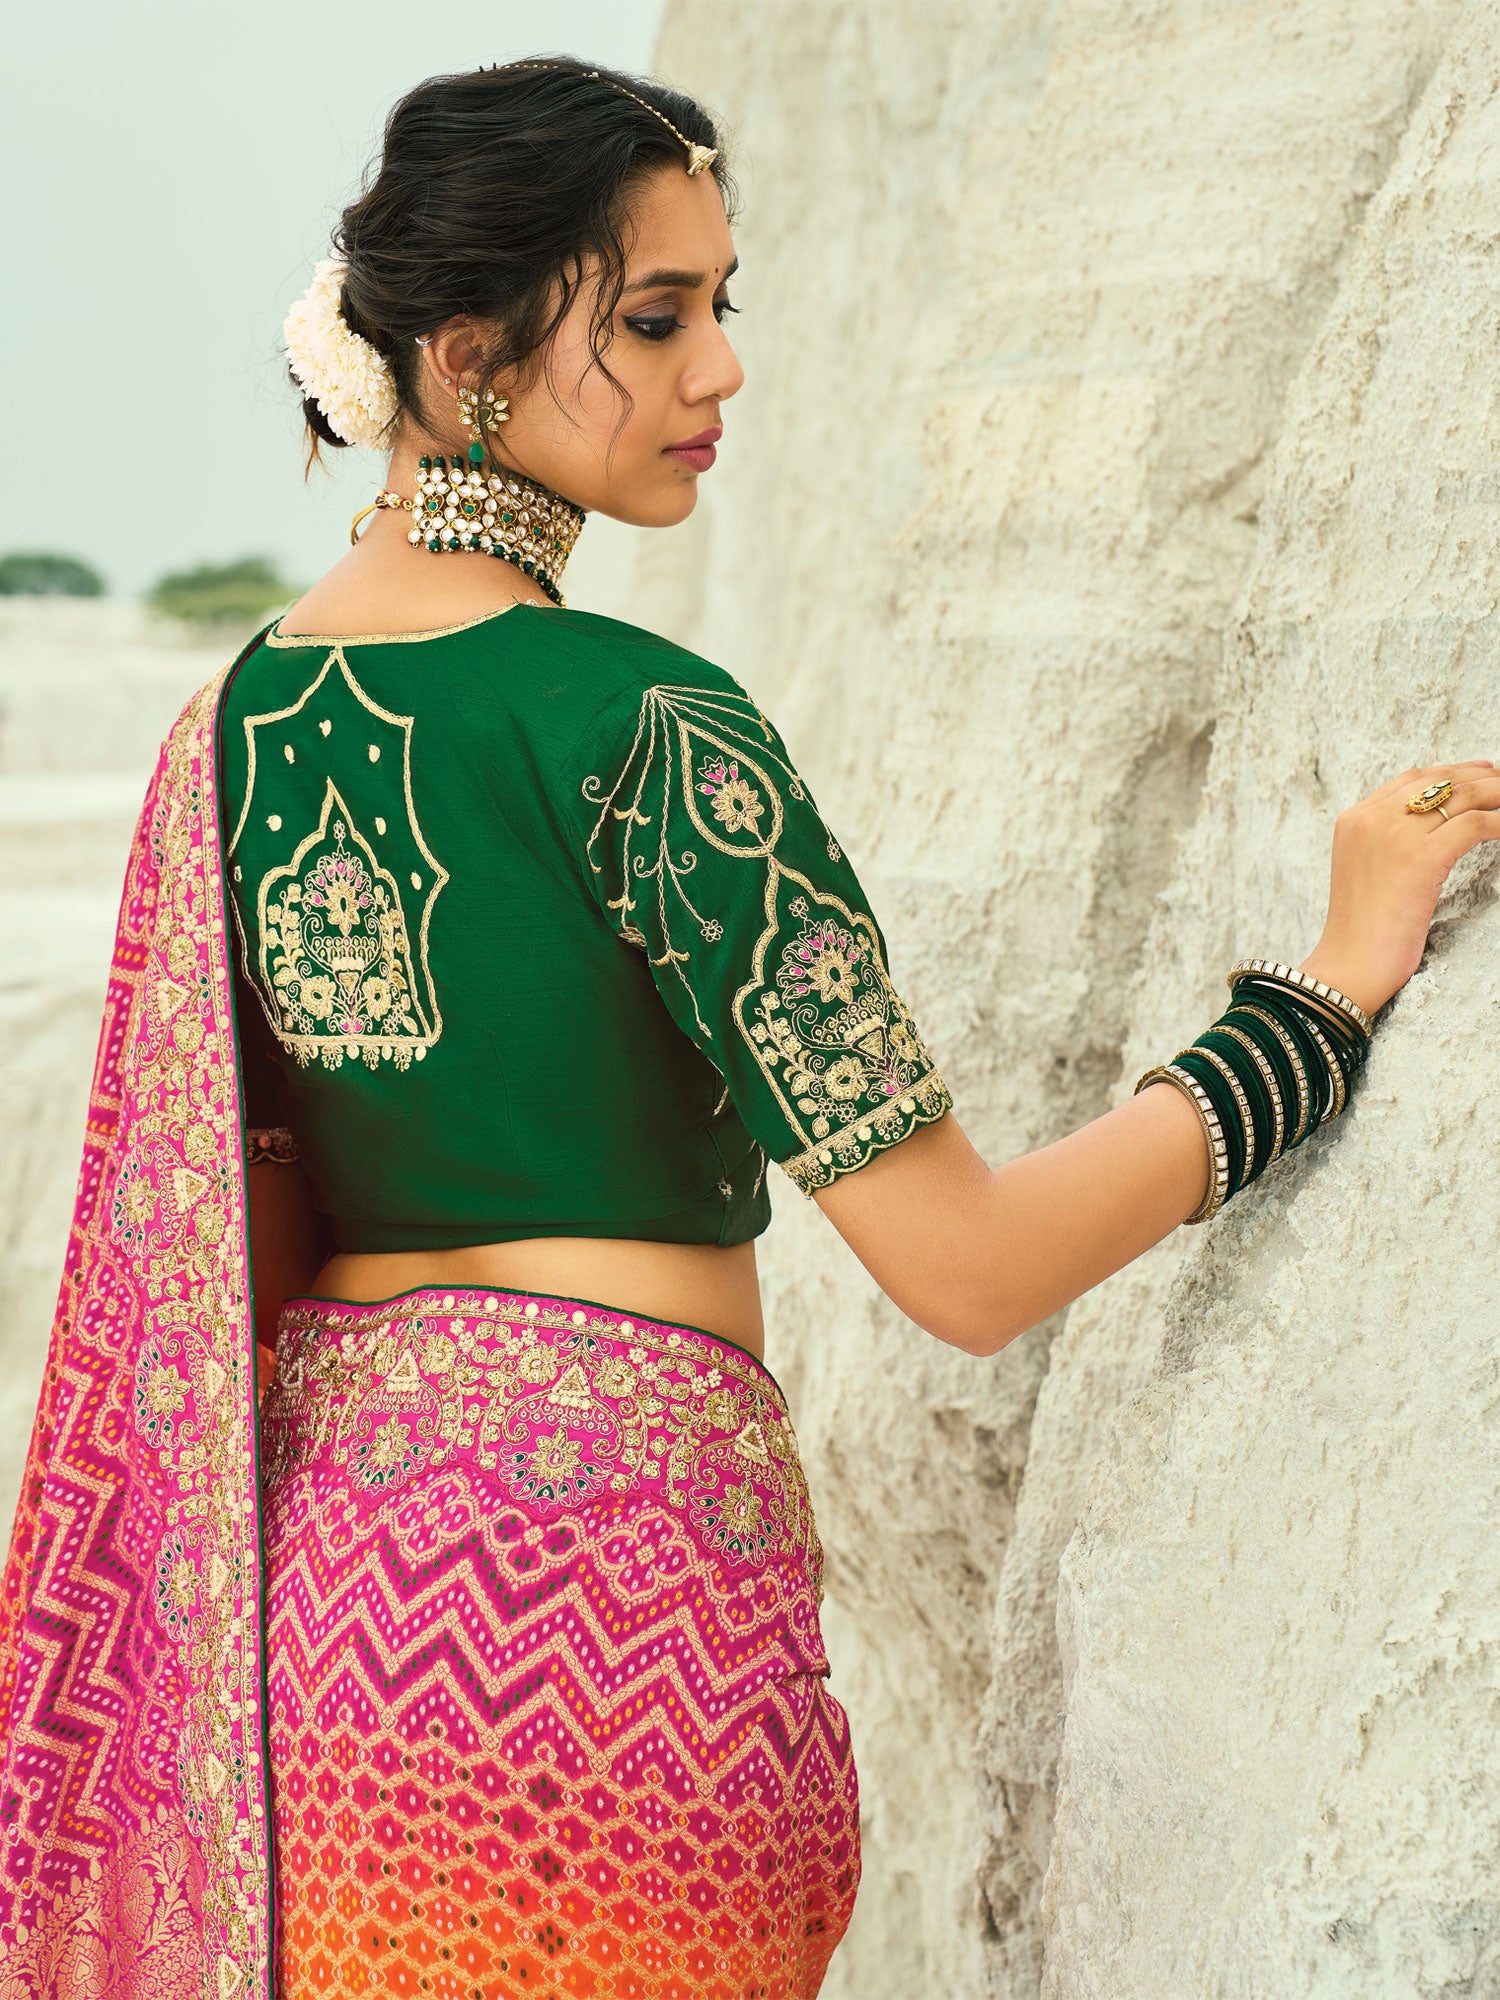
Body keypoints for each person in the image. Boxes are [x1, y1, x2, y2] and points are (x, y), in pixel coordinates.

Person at [1, 55, 1495, 2000]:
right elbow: (964, 1266)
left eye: (723, 307)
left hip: (330, 1665)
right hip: (625, 1646)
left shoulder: (228, 737)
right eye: (653, 317)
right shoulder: (650, 725)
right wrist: (1314, 1000)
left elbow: (241, 1261)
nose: (718, 371)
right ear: (466, 356)